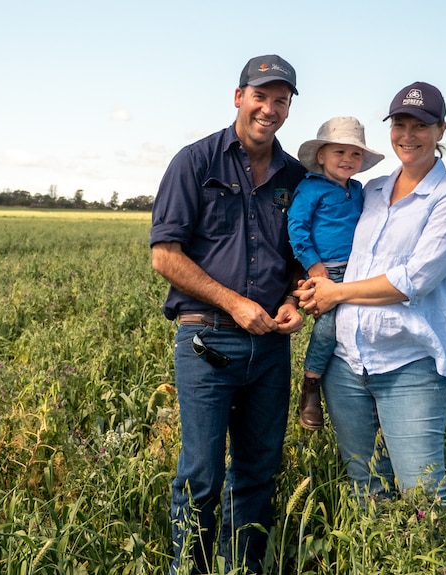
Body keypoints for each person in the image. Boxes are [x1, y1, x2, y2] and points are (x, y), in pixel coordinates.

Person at [150, 54, 307, 573]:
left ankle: (241, 567)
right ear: (238, 96)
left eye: (280, 100)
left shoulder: (296, 176)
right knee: (201, 474)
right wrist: (234, 303)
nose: (270, 108)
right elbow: (165, 256)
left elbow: (298, 258)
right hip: (208, 342)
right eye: (260, 95)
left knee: (259, 471)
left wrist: (289, 300)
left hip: (270, 349)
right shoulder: (195, 162)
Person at [294, 82, 446, 503]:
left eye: (421, 125)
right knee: (365, 487)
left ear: (441, 130)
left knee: (423, 493)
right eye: (400, 123)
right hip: (346, 363)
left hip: (410, 362)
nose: (408, 135)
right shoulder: (371, 190)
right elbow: (336, 247)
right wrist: (310, 285)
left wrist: (334, 295)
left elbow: (415, 279)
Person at [288, 116, 384, 431]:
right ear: (321, 156)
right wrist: (314, 265)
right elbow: (297, 228)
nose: (347, 160)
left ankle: (366, 388)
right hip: (327, 271)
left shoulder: (358, 190)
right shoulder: (311, 188)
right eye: (339, 152)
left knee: (362, 323)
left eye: (355, 154)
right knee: (330, 325)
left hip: (359, 270)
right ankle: (311, 384)